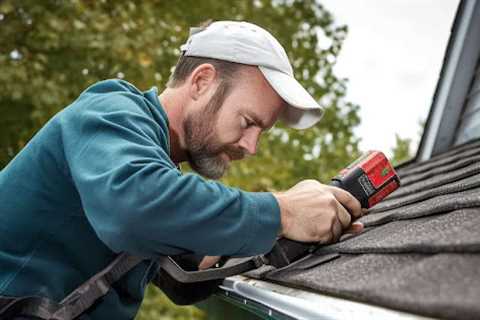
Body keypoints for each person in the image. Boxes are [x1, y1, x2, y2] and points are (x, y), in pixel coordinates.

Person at [0, 21, 363, 319]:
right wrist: (281, 211)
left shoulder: (152, 168)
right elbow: (136, 208)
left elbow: (183, 275)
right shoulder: (111, 113)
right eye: (247, 122)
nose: (251, 147)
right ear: (202, 82)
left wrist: (295, 233)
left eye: (261, 133)